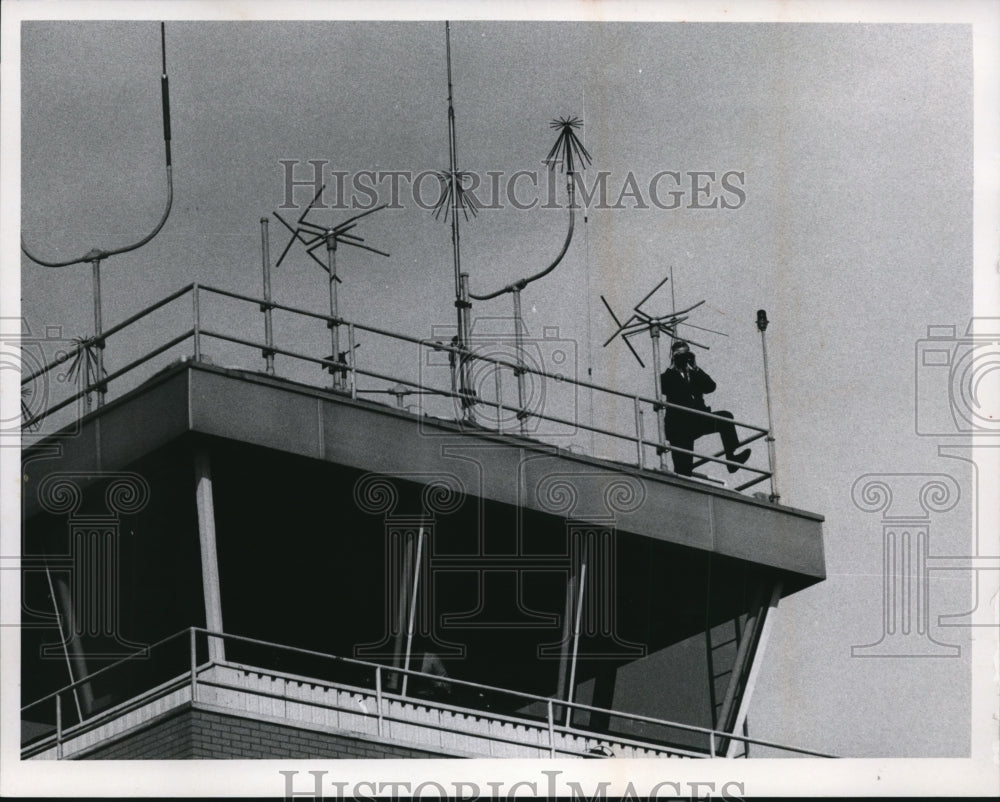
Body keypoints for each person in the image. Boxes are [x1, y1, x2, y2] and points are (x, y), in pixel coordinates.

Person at [659, 340, 751, 477]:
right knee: (683, 470)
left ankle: (732, 459)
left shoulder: (694, 374)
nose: (684, 358)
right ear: (673, 357)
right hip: (679, 426)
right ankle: (683, 489)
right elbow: (664, 387)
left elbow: (710, 387)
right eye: (680, 355)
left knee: (725, 417)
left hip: (697, 419)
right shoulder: (668, 376)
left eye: (686, 354)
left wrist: (695, 367)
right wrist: (673, 366)